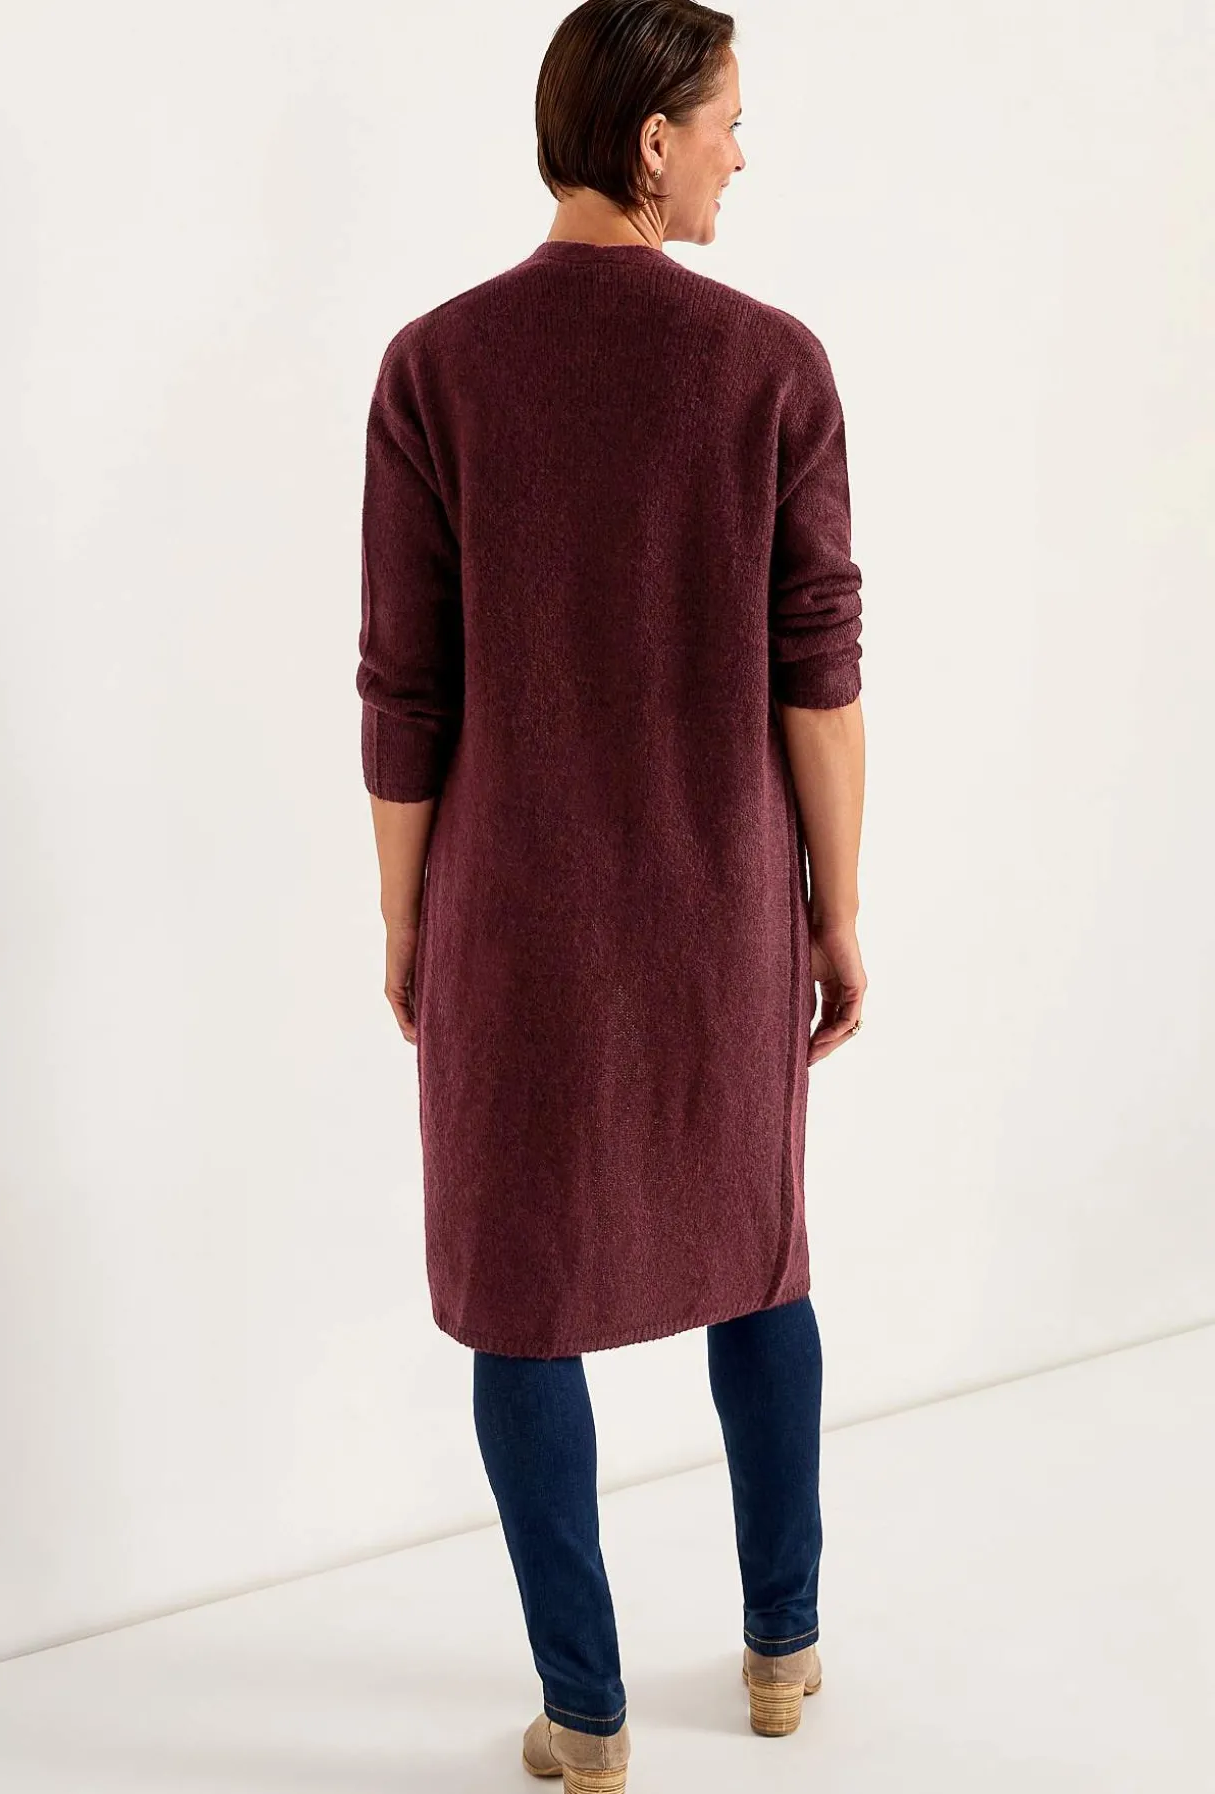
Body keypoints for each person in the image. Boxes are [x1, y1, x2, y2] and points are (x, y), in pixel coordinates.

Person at [356, 2, 867, 1786]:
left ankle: (586, 1718)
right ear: (653, 139)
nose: (741, 150)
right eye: (726, 119)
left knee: (519, 1295)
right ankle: (783, 1647)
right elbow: (819, 676)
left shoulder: (434, 366)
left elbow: (405, 690)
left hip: (515, 916)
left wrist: (410, 920)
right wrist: (837, 906)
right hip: (725, 908)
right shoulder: (772, 367)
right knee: (758, 1258)